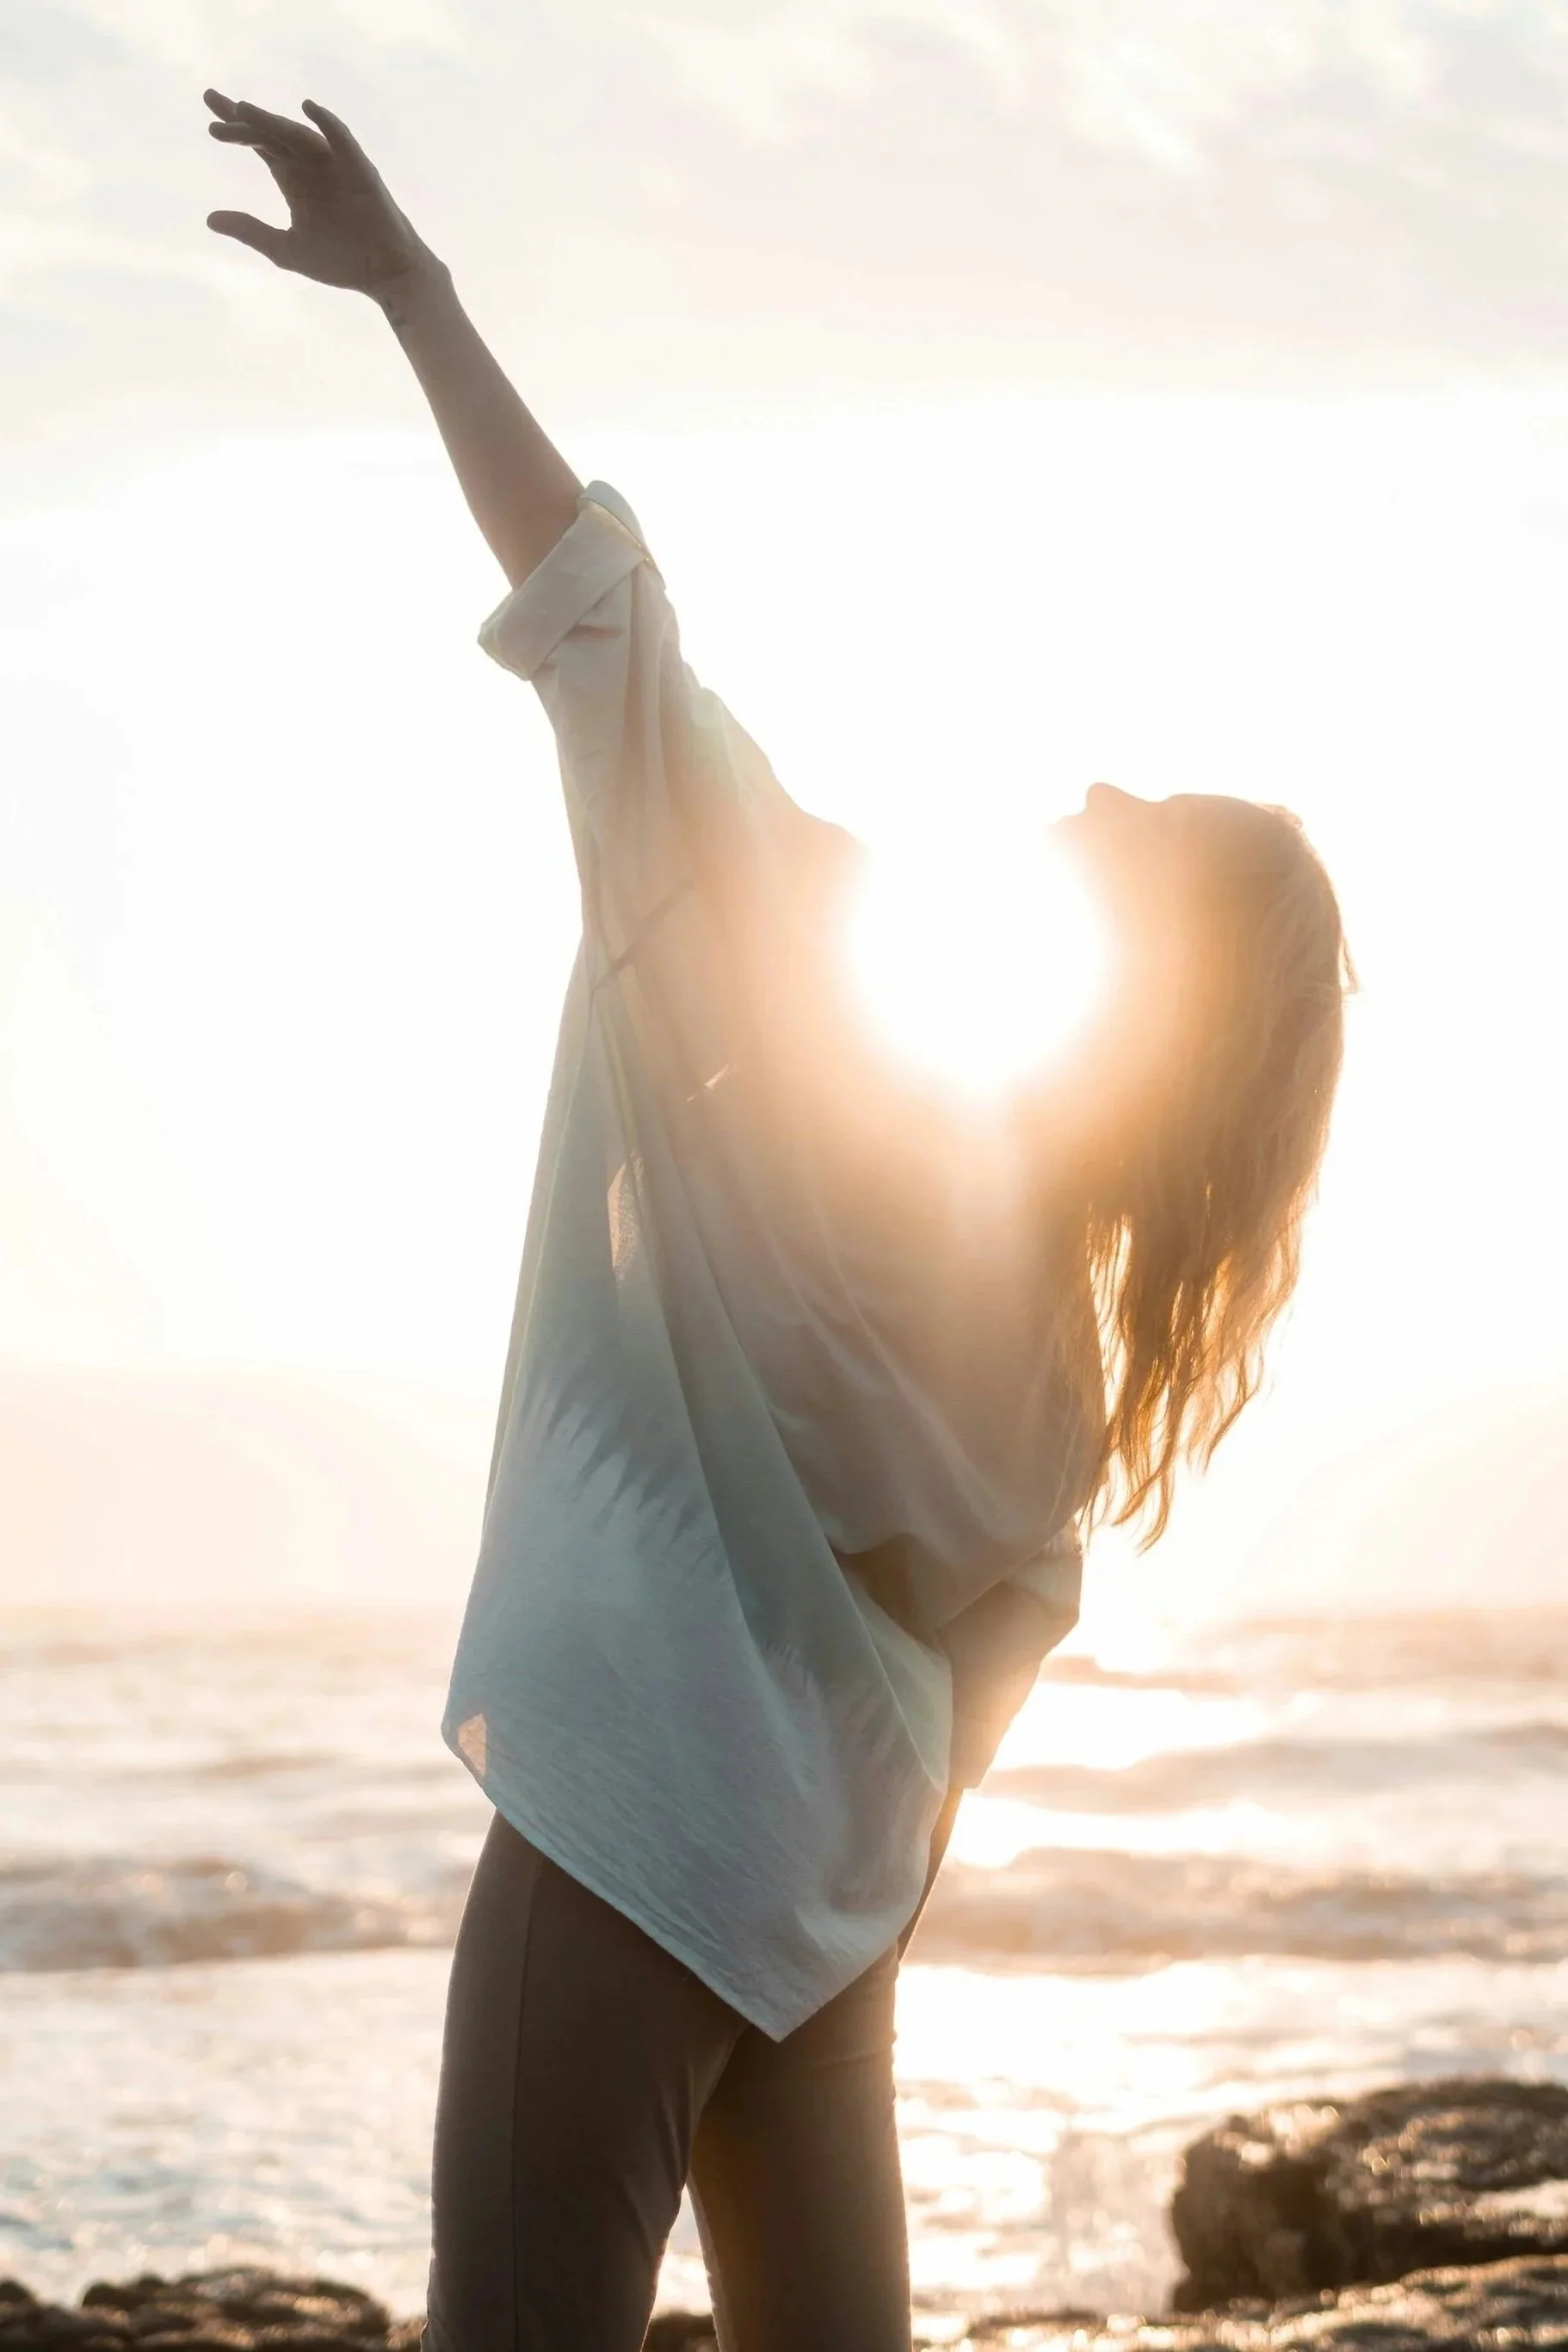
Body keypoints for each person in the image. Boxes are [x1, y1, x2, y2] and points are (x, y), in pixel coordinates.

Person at [203, 90, 1353, 2352]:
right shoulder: (1067, 1319)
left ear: (1164, 962)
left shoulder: (854, 1029)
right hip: (827, 1915)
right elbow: (985, 1638)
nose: (1096, 784)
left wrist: (420, 301)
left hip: (638, 1852)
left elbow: (610, 638)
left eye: (1145, 815)